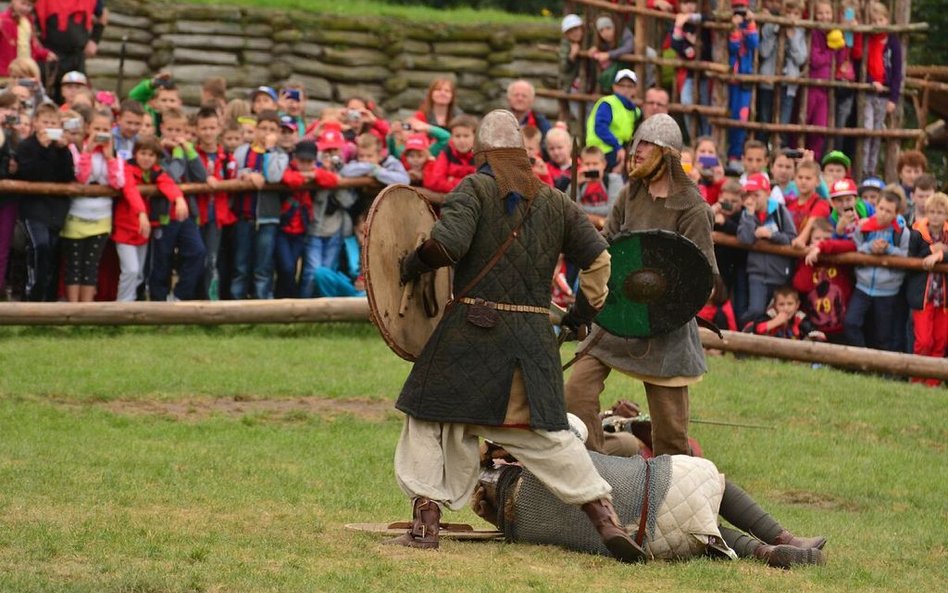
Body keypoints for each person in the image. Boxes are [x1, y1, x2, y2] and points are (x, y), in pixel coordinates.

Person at [388, 109, 644, 563]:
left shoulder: (475, 188)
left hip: (469, 333)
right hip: (530, 340)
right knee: (548, 437)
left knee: (427, 419)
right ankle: (606, 519)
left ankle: (425, 525)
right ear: (524, 155)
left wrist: (412, 264)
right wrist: (583, 311)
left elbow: (446, 244)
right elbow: (600, 261)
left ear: (482, 153)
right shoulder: (557, 201)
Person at [565, 114, 717, 458]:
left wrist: (665, 303)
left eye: (646, 145)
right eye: (636, 143)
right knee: (576, 394)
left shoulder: (692, 207)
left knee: (671, 437)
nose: (636, 151)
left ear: (668, 155)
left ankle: (675, 495)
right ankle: (594, 468)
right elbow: (605, 247)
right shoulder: (630, 194)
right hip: (619, 314)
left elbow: (703, 277)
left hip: (667, 325)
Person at [472, 425, 827, 568]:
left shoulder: (519, 528)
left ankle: (765, 552)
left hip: (651, 541)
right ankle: (780, 537)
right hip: (659, 485)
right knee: (711, 483)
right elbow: (572, 429)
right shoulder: (548, 450)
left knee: (702, 534)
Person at [14, 102, 75, 301]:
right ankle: (33, 295)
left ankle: (48, 300)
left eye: (53, 123)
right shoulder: (27, 146)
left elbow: (67, 176)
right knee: (39, 246)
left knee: (52, 251)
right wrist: (42, 148)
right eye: (45, 122)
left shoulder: (63, 150)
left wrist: (63, 151)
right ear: (35, 123)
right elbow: (30, 173)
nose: (49, 126)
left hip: (56, 209)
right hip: (33, 209)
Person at [61, 108, 123, 303]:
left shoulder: (114, 154)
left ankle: (86, 311)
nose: (101, 133)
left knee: (91, 265)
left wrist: (110, 157)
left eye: (105, 129)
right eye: (97, 128)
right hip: (76, 215)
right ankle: (72, 311)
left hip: (101, 218)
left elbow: (118, 183)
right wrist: (88, 152)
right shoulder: (76, 149)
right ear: (88, 128)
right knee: (74, 265)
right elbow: (81, 177)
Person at [150, 106, 206, 302]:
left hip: (186, 214)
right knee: (162, 260)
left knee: (197, 251)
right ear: (163, 128)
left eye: (179, 131)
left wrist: (189, 150)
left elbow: (201, 176)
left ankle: (180, 295)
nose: (174, 135)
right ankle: (158, 300)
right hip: (164, 215)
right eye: (170, 130)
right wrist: (177, 154)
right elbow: (171, 175)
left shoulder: (185, 150)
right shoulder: (156, 151)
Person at [269, 139, 339, 298]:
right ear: (294, 158)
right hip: (283, 229)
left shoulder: (317, 171)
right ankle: (288, 297)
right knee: (285, 267)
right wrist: (305, 176)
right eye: (302, 160)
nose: (305, 164)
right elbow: (289, 179)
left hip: (301, 230)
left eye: (309, 161)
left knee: (292, 267)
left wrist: (313, 174)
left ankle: (284, 300)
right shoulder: (287, 167)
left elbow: (333, 180)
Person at [231, 110, 287, 300]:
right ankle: (235, 305)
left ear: (278, 133)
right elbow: (233, 172)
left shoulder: (280, 155)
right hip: (243, 216)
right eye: (263, 128)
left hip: (267, 218)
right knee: (241, 265)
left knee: (263, 267)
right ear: (255, 130)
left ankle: (263, 306)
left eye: (272, 130)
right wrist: (246, 174)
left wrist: (269, 151)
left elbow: (273, 176)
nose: (266, 133)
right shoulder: (242, 151)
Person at [843, 189, 909, 350]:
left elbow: (907, 256)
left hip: (888, 290)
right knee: (850, 323)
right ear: (876, 206)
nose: (883, 214)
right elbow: (856, 247)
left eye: (889, 211)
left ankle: (882, 372)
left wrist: (888, 250)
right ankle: (862, 361)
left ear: (896, 213)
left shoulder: (902, 232)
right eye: (881, 208)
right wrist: (870, 247)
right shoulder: (864, 227)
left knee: (883, 335)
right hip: (863, 286)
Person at [112, 136, 173, 302]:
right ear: (135, 154)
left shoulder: (156, 172)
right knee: (130, 270)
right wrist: (141, 213)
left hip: (143, 230)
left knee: (139, 272)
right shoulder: (127, 169)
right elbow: (130, 190)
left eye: (151, 155)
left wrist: (179, 199)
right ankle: (122, 308)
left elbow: (167, 183)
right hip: (126, 227)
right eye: (143, 153)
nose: (146, 158)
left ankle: (131, 304)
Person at [737, 173, 797, 325]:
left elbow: (791, 237)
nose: (752, 199)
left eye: (756, 195)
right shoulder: (747, 214)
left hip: (779, 273)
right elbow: (745, 239)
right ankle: (742, 334)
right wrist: (749, 215)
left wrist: (772, 235)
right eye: (748, 195)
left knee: (775, 312)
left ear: (768, 193)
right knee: (756, 310)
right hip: (756, 273)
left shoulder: (779, 211)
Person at [194, 105, 237, 300]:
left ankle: (208, 301)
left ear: (219, 128)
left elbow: (233, 179)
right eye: (204, 128)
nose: (208, 132)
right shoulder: (192, 156)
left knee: (211, 259)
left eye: (212, 128)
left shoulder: (226, 157)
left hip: (217, 217)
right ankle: (193, 298)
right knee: (195, 257)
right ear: (197, 129)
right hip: (196, 214)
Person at [906, 192, 947, 385]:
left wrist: (939, 256)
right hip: (923, 295)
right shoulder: (917, 233)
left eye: (940, 212)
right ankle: (916, 379)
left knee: (940, 340)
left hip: (943, 297)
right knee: (923, 340)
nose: (936, 216)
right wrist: (931, 250)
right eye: (932, 211)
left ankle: (933, 382)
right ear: (926, 211)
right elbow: (911, 257)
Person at [795, 217, 855, 341]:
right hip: (814, 327)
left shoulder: (839, 257)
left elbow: (853, 246)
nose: (821, 242)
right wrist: (809, 260)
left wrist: (823, 247)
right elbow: (801, 286)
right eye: (817, 238)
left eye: (826, 238)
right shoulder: (805, 260)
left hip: (839, 325)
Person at [34, 0, 103, 102]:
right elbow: (30, 16)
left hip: (76, 56)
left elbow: (103, 14)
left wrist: (94, 40)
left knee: (79, 98)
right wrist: (38, 46)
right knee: (46, 99)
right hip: (49, 55)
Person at [862, 1, 902, 175]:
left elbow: (897, 70)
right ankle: (862, 167)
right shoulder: (868, 40)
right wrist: (871, 81)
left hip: (884, 94)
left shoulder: (893, 42)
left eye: (881, 20)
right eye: (874, 20)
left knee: (877, 133)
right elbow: (862, 65)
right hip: (869, 92)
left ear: (886, 20)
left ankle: (871, 169)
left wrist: (893, 97)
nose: (878, 24)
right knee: (867, 129)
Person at [585, 69, 642, 172]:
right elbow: (600, 128)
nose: (626, 89)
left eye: (630, 86)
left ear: (635, 89)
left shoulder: (635, 111)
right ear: (614, 87)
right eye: (622, 85)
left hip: (617, 150)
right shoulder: (608, 103)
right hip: (600, 151)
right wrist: (618, 147)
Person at [726, 0, 758, 162]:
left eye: (742, 9)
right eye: (736, 9)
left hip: (744, 79)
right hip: (728, 79)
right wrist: (734, 28)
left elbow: (753, 43)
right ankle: (723, 151)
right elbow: (733, 48)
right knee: (727, 116)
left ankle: (735, 154)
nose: (739, 13)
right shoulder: (726, 25)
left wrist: (750, 22)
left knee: (741, 117)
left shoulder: (748, 26)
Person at [805, 0, 835, 160]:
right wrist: (830, 52)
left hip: (825, 88)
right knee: (805, 122)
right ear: (815, 15)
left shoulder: (833, 33)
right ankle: (800, 157)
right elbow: (815, 59)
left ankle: (814, 159)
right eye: (821, 13)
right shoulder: (813, 33)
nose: (825, 16)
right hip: (811, 85)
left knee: (820, 128)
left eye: (828, 13)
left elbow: (842, 56)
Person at [567, 145, 622, 231]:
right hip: (584, 232)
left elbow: (613, 210)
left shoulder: (613, 180)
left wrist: (584, 214)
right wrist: (575, 184)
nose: (591, 167)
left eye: (595, 164)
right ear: (581, 164)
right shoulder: (579, 183)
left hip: (608, 231)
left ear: (604, 164)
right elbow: (571, 209)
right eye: (587, 164)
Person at [0, 0, 56, 77]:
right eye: (23, 3)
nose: (25, 8)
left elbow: (32, 48)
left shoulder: (28, 22)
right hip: (5, 74)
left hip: (25, 73)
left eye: (29, 5)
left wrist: (45, 54)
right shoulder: (3, 20)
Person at [422, 115, 476, 194]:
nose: (461, 140)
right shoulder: (446, 152)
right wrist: (466, 185)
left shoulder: (480, 155)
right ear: (451, 138)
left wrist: (453, 180)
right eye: (457, 136)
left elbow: (479, 184)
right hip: (448, 196)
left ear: (475, 137)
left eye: (466, 136)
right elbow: (436, 182)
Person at [589, 15, 634, 94]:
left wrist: (609, 54)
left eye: (608, 28)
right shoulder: (603, 42)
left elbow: (629, 47)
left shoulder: (623, 32)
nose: (605, 33)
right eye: (601, 30)